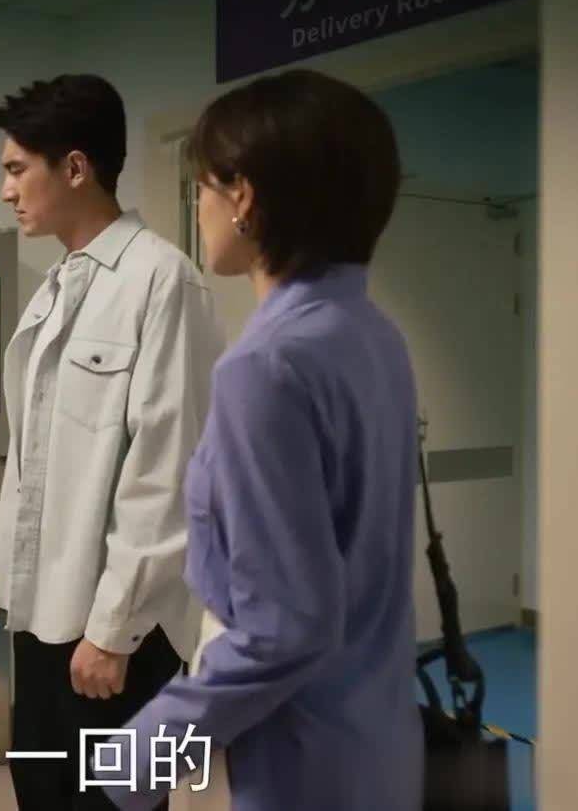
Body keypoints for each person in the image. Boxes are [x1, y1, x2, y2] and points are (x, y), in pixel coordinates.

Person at [97, 69, 424, 811]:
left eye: (204, 187)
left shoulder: (266, 366)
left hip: (302, 757)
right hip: (377, 738)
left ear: (242, 196)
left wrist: (138, 758)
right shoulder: (374, 336)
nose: (202, 206)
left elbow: (283, 628)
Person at [0, 74, 224, 811]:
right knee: (41, 790)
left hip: (115, 628)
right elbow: (34, 452)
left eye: (17, 170)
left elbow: (166, 472)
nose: (6, 191)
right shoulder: (57, 286)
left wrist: (115, 630)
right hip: (42, 609)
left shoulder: (162, 281)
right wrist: (0, 558)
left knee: (108, 804)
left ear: (76, 167)